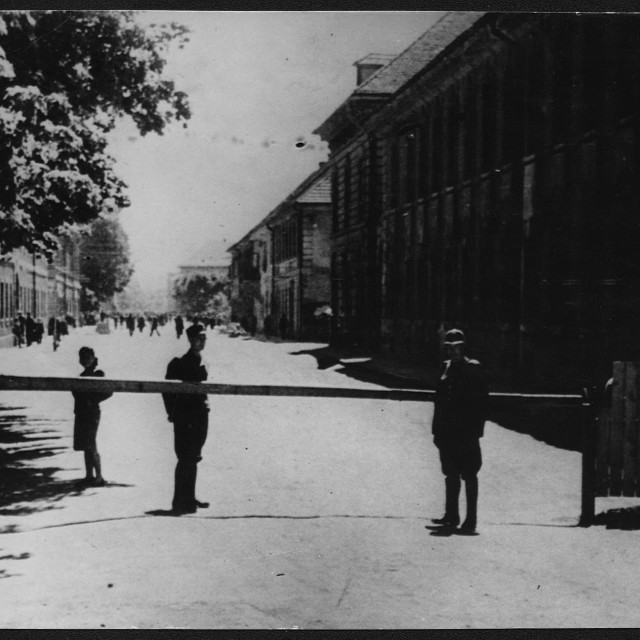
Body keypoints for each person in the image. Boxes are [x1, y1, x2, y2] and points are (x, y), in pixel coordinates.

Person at [431, 328, 488, 534]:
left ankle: (470, 520)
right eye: (449, 348)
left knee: (470, 475)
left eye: (457, 347)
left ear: (464, 347)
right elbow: (438, 401)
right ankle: (451, 515)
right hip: (447, 431)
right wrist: (436, 430)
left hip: (466, 432)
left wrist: (476, 432)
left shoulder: (473, 368)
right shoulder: (445, 367)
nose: (453, 352)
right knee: (450, 473)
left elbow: (482, 403)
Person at [162, 323, 210, 514]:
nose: (201, 341)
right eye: (198, 338)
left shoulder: (202, 360)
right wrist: (172, 414)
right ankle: (179, 501)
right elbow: (167, 391)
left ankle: (189, 496)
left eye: (204, 338)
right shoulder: (179, 363)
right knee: (185, 458)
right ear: (190, 340)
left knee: (194, 457)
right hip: (186, 417)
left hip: (201, 415)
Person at [72, 347, 113, 486]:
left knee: (91, 443)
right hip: (81, 412)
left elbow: (109, 391)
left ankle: (99, 476)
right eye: (82, 358)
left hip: (91, 413)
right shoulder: (81, 375)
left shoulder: (98, 375)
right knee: (85, 444)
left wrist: (94, 400)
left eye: (88, 357)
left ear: (93, 358)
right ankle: (89, 475)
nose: (85, 360)